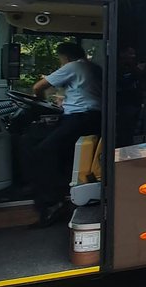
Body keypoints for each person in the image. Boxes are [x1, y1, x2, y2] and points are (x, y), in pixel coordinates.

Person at [29, 41, 102, 227]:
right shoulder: (92, 67)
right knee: (59, 151)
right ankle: (61, 189)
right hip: (93, 117)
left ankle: (51, 201)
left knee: (41, 152)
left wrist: (40, 102)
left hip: (80, 118)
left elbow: (38, 87)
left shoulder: (73, 66)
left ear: (65, 56)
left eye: (60, 59)